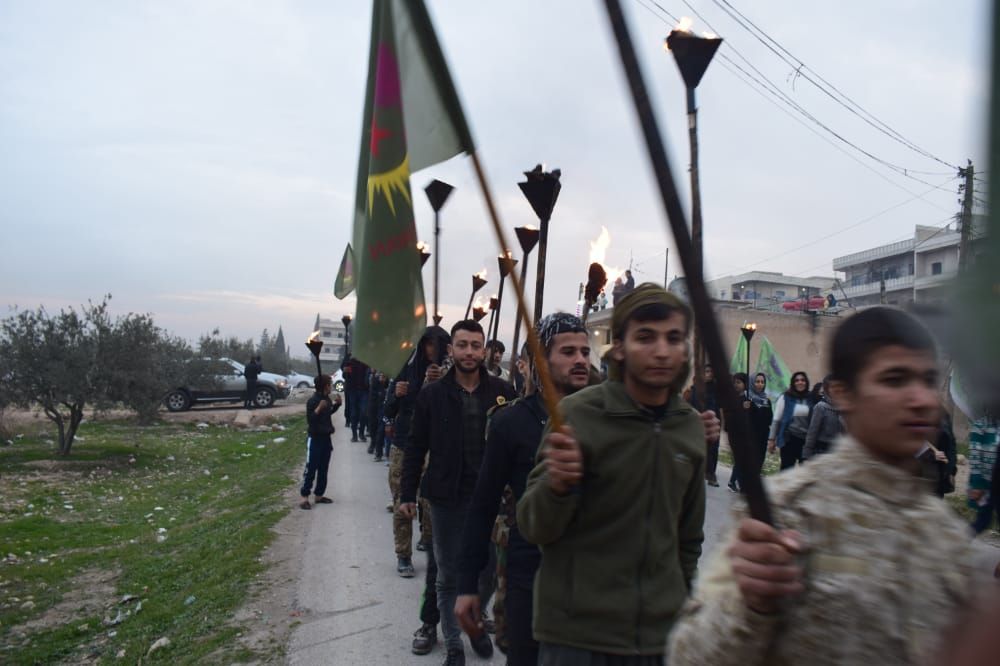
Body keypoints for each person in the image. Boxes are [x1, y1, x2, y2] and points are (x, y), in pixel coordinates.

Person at [668, 306, 976, 664]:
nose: (921, 400)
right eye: (894, 380)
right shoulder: (786, 511)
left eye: (927, 381)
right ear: (842, 393)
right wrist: (751, 607)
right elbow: (689, 655)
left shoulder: (947, 538)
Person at [518, 284, 720, 665]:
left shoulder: (690, 428)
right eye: (645, 337)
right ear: (620, 347)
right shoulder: (578, 415)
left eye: (673, 338)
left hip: (659, 640)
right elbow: (533, 526)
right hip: (577, 639)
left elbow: (688, 537)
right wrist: (556, 487)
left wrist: (678, 604)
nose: (661, 351)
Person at [454, 313, 592, 666]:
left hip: (593, 579)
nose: (580, 360)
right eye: (568, 352)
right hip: (529, 573)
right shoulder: (511, 422)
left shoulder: (607, 419)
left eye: (584, 351)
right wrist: (467, 585)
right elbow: (483, 505)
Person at [400, 320, 517, 666]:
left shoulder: (503, 392)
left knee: (490, 569)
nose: (469, 352)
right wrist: (407, 493)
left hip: (492, 499)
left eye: (475, 346)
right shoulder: (432, 394)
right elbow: (415, 446)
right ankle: (454, 644)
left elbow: (516, 444)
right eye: (462, 345)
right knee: (447, 572)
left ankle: (472, 617)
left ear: (485, 350)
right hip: (446, 498)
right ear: (451, 349)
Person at [385, 326, 450, 579]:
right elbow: (388, 410)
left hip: (436, 446)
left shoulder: (451, 374)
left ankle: (429, 539)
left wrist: (439, 382)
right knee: (403, 499)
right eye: (429, 344)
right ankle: (403, 554)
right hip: (405, 444)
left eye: (438, 345)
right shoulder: (407, 369)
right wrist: (397, 395)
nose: (433, 350)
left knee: (432, 501)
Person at [299, 374, 342, 509]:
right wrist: (318, 408)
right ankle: (304, 497)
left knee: (323, 468)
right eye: (330, 384)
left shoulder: (326, 399)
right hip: (315, 439)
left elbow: (327, 413)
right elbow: (311, 420)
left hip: (326, 439)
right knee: (311, 468)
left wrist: (337, 405)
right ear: (325, 386)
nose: (331, 386)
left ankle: (319, 495)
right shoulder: (313, 401)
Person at [767, 371, 812, 470]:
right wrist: (771, 440)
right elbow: (776, 419)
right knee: (786, 470)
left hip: (806, 441)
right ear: (793, 383)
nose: (800, 382)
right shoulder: (785, 397)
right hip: (789, 439)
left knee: (805, 472)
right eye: (797, 380)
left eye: (802, 380)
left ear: (806, 382)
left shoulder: (811, 398)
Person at [689, 364, 721, 486]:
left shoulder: (716, 389)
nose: (709, 374)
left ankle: (711, 474)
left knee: (712, 449)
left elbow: (720, 407)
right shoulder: (696, 389)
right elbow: (691, 404)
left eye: (711, 371)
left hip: (713, 421)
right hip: (698, 421)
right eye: (706, 371)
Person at [969, 417, 998, 535]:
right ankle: (958, 541)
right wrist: (976, 484)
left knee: (983, 519)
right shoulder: (981, 425)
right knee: (983, 519)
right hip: (985, 483)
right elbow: (974, 454)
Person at [802, 374, 844, 459]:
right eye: (832, 386)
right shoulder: (821, 407)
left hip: (839, 453)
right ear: (826, 389)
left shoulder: (844, 407)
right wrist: (807, 453)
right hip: (822, 452)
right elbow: (812, 432)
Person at [726, 372, 751, 493]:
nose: (736, 385)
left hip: (743, 433)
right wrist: (742, 407)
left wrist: (748, 408)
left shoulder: (747, 400)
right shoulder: (732, 399)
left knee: (741, 459)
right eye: (735, 382)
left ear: (745, 385)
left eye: (739, 382)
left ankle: (736, 481)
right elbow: (731, 414)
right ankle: (734, 481)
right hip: (734, 433)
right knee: (739, 458)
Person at [747, 373, 773, 477]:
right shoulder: (747, 399)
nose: (760, 384)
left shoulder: (767, 401)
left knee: (759, 459)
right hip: (750, 435)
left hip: (762, 436)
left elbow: (770, 419)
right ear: (752, 383)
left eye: (762, 382)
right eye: (757, 382)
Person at [343, 356, 370, 442]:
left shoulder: (366, 359)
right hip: (352, 390)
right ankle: (354, 435)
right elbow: (344, 375)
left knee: (363, 412)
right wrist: (345, 371)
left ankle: (361, 433)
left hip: (364, 390)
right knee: (354, 413)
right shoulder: (349, 359)